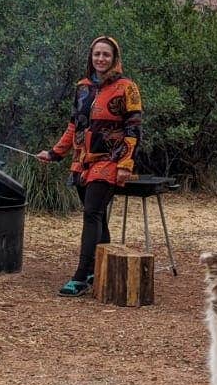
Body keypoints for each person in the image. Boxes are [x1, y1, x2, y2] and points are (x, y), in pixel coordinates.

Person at [37, 35, 143, 297]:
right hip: (83, 161)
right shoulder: (82, 87)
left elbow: (134, 129)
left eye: (106, 54)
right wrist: (55, 153)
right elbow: (75, 125)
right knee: (97, 216)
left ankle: (81, 275)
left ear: (114, 58)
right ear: (91, 57)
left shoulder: (127, 88)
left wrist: (125, 164)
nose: (101, 59)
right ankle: (100, 268)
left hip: (111, 160)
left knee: (91, 213)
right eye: (97, 54)